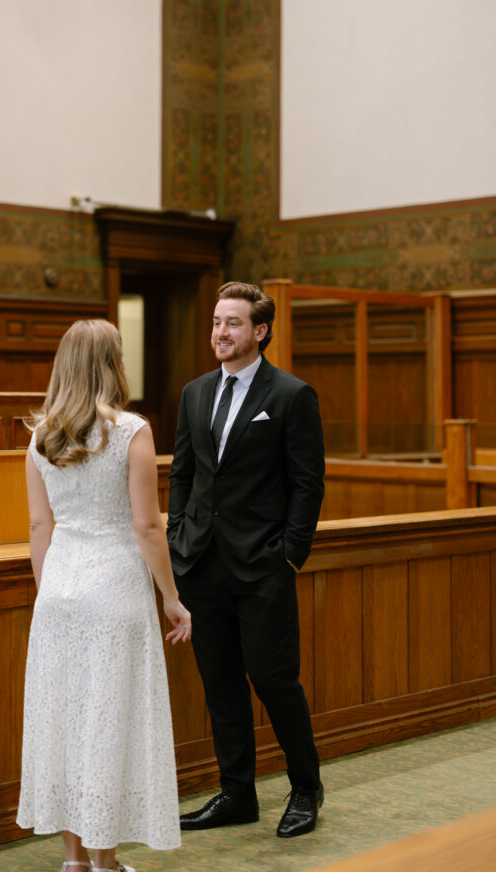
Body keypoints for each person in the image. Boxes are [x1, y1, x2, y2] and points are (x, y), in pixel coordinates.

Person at [16, 319, 191, 872]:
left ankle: (72, 860)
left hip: (59, 592)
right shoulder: (131, 432)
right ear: (113, 364)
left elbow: (39, 528)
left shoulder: (40, 436)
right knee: (106, 723)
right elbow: (147, 527)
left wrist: (51, 595)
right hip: (115, 589)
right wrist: (171, 596)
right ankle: (105, 862)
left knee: (65, 722)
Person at [167, 281, 325, 838]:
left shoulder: (290, 395)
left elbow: (308, 482)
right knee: (221, 684)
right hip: (201, 566)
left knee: (273, 679)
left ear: (259, 331)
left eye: (232, 323)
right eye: (216, 322)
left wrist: (291, 556)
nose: (220, 332)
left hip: (263, 567)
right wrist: (176, 539)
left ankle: (306, 787)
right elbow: (183, 475)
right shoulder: (194, 394)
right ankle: (237, 793)